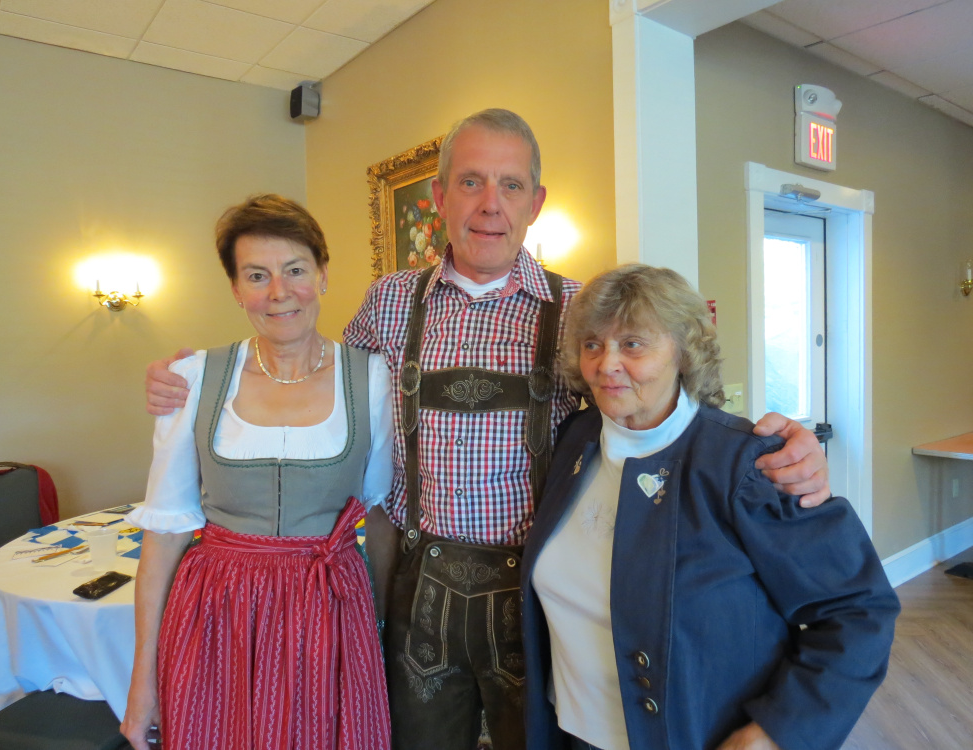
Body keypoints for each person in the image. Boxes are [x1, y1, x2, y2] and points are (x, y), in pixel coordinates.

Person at [144, 110, 832, 750]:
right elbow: (323, 375)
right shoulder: (389, 302)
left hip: (538, 589)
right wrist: (198, 379)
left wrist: (769, 443)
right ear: (440, 197)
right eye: (471, 182)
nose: (489, 204)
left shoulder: (578, 309)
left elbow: (658, 402)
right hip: (417, 582)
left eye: (510, 185)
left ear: (536, 201)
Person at [521, 264, 899, 750]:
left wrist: (774, 732)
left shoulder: (747, 463)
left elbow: (859, 609)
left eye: (633, 343)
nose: (606, 363)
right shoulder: (575, 441)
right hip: (571, 733)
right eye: (593, 344)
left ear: (683, 352)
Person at [121, 195, 393, 750]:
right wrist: (141, 683)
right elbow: (165, 533)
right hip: (216, 616)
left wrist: (384, 636)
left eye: (294, 270)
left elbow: (382, 517)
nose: (278, 292)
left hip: (331, 613)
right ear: (236, 289)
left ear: (321, 275)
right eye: (256, 275)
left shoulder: (373, 377)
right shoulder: (193, 377)